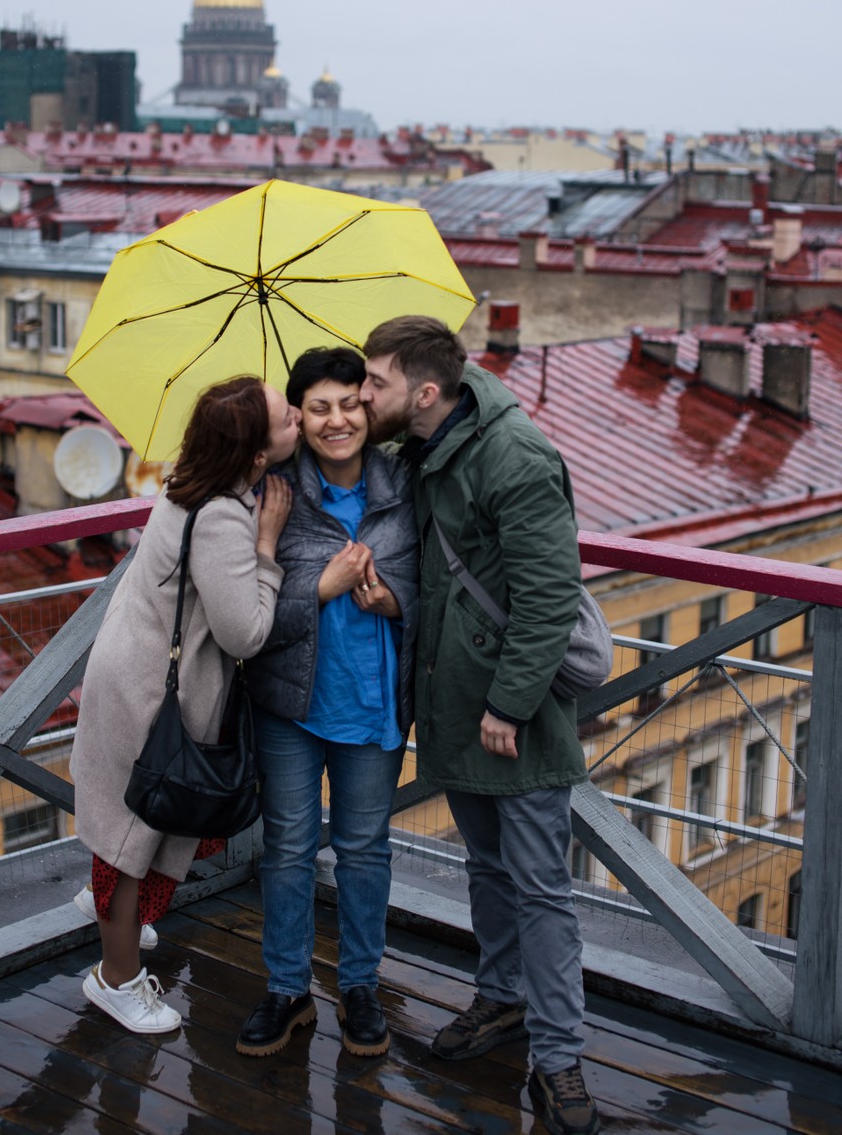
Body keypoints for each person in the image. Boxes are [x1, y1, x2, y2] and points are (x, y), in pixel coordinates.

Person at [359, 317, 600, 1135]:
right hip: (452, 707)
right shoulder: (420, 453)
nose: (364, 396)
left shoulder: (515, 456)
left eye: (376, 383)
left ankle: (560, 1063)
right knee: (489, 871)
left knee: (541, 889)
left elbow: (548, 597)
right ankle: (499, 1000)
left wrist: (510, 705)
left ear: (425, 392)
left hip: (512, 720)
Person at [70, 376, 300, 1035]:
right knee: (129, 838)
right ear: (256, 455)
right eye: (287, 419)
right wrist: (268, 550)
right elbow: (245, 632)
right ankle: (115, 981)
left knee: (126, 825)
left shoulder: (185, 483)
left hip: (131, 675)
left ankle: (119, 926)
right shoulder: (225, 516)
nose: (297, 424)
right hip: (150, 698)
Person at [238, 347, 419, 1059]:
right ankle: (286, 989)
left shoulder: (406, 484)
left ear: (368, 410)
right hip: (290, 705)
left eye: (349, 403)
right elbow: (248, 620)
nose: (337, 419)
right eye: (318, 407)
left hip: (373, 708)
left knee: (365, 851)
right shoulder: (273, 493)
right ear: (299, 416)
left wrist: (397, 600)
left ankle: (361, 986)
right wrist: (321, 587)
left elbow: (433, 586)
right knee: (286, 849)